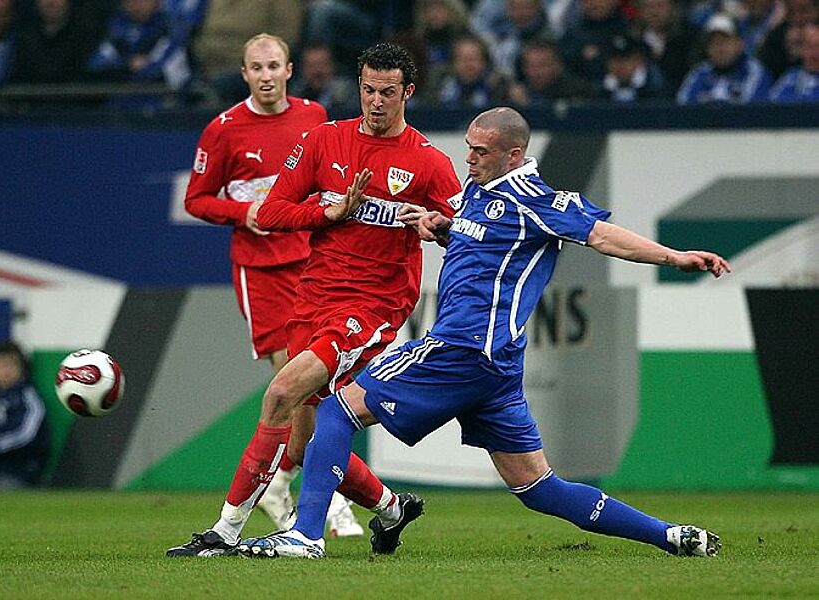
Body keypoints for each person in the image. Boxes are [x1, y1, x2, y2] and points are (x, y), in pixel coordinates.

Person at [237, 106, 730, 560]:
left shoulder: (535, 200)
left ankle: (305, 536)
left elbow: (602, 236)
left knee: (334, 410)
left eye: (480, 151)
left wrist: (675, 257)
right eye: (468, 147)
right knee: (538, 488)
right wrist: (440, 227)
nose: (468, 158)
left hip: (461, 348)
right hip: (497, 369)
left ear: (513, 155)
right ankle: (671, 535)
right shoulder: (476, 194)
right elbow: (477, 241)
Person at [166, 42, 461, 558]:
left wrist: (438, 228)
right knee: (303, 446)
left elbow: (470, 232)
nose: (376, 102)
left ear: (408, 93)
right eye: (368, 90)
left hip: (371, 306)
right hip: (313, 297)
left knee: (281, 391)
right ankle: (393, 509)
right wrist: (327, 214)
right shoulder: (325, 140)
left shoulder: (429, 162)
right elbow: (272, 212)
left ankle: (227, 531)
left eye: (387, 93)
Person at [179, 33, 362, 539]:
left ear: (289, 70)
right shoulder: (222, 130)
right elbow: (196, 199)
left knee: (319, 384)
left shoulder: (313, 116)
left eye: (273, 66)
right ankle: (326, 498)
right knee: (297, 380)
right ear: (244, 73)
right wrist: (245, 212)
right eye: (256, 67)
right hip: (260, 270)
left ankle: (284, 483)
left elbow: (327, 176)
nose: (265, 75)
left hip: (311, 260)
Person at [0, 340, 51, 489]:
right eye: (0, 365)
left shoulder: (29, 399)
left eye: (11, 365)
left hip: (16, 473)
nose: (5, 371)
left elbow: (18, 438)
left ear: (22, 369)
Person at [677, 13, 773, 104]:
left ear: (739, 44)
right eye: (713, 42)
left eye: (725, 41)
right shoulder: (699, 74)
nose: (719, 48)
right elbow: (683, 108)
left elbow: (753, 111)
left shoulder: (754, 73)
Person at [768, 23, 819, 102]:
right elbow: (770, 105)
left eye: (817, 47)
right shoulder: (790, 78)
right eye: (808, 47)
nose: (813, 54)